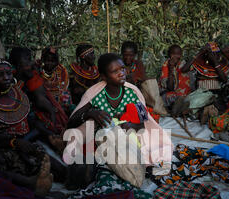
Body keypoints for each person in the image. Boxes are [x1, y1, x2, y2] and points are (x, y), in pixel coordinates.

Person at [65, 53, 172, 189]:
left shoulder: (131, 92)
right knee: (89, 124)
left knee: (132, 139)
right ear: (103, 76)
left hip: (128, 137)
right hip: (101, 139)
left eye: (122, 69)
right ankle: (83, 164)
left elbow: (143, 123)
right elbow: (72, 123)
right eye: (115, 71)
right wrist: (91, 113)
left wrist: (130, 125)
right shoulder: (95, 94)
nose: (121, 73)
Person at [0, 59, 53, 196]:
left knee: (39, 154)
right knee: (1, 166)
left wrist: (20, 142)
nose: (6, 78)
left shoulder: (17, 97)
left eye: (9, 73)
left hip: (17, 143)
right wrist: (13, 142)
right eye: (0, 74)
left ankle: (67, 174)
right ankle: (32, 185)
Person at [159, 45, 192, 111]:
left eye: (179, 54)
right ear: (170, 55)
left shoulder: (182, 64)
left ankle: (179, 108)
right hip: (170, 95)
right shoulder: (165, 66)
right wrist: (171, 69)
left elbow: (185, 69)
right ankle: (176, 108)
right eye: (174, 54)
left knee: (191, 98)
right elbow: (170, 88)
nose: (177, 56)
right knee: (174, 98)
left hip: (184, 94)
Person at [38, 46, 71, 113]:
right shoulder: (38, 70)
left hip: (60, 102)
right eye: (47, 60)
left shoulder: (61, 71)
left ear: (57, 62)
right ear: (43, 60)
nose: (50, 63)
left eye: (53, 61)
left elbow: (63, 89)